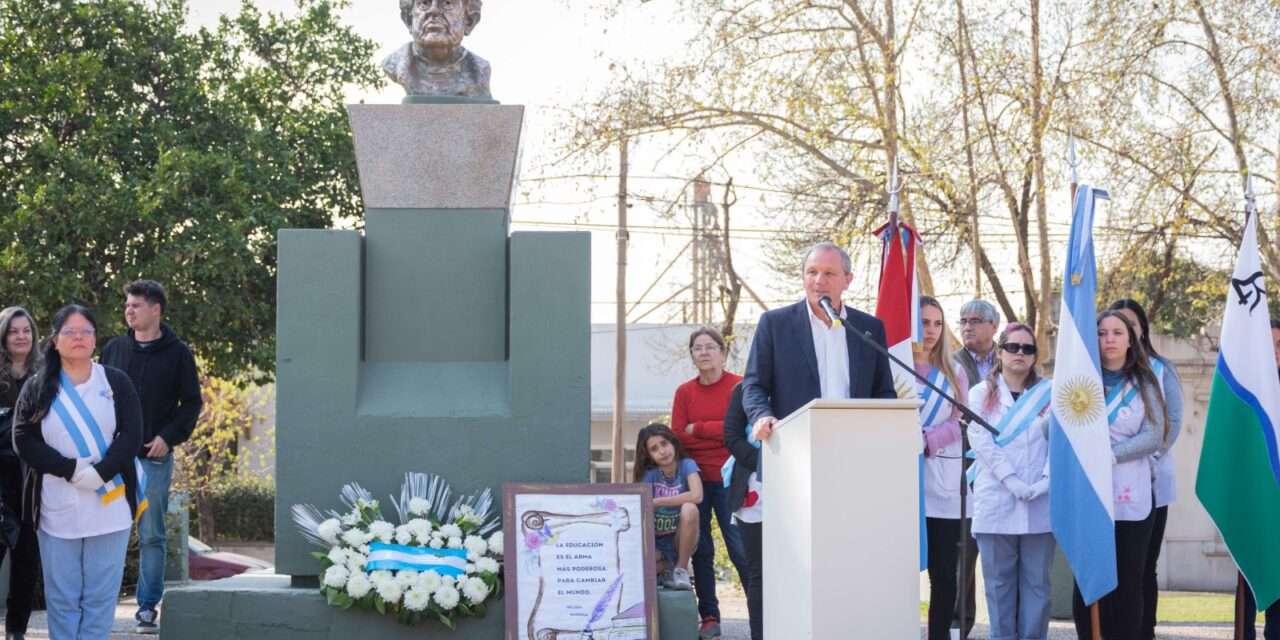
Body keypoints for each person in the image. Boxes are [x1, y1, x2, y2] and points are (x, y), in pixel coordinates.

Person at [13, 305, 144, 640]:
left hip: (109, 504)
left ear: (95, 339)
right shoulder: (37, 386)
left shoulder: (115, 381)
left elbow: (132, 433)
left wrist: (102, 471)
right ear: (55, 340)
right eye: (70, 332)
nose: (79, 338)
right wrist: (68, 468)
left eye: (86, 331)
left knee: (100, 598)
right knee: (62, 598)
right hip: (56, 507)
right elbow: (22, 438)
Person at [100, 280, 203, 634]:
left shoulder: (179, 354)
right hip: (113, 459)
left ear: (156, 309)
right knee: (102, 530)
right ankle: (99, 603)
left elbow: (191, 403)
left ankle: (146, 608)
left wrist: (167, 436)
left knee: (151, 535)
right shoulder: (113, 350)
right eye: (127, 305)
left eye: (136, 305)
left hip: (153, 458)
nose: (129, 310)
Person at [741, 241, 895, 445]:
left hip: (855, 445)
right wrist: (762, 415)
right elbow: (754, 385)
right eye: (812, 272)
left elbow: (883, 391)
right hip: (795, 447)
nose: (819, 281)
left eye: (829, 273)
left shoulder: (868, 329)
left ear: (847, 280)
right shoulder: (776, 324)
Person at [1072, 310, 1166, 639]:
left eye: (1117, 332)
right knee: (1088, 583)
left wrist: (1109, 455)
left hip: (1132, 497)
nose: (1109, 339)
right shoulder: (1079, 382)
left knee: (1128, 582)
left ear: (1130, 339)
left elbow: (1154, 435)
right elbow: (1053, 429)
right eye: (1101, 332)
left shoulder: (1146, 381)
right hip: (1088, 496)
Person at [967, 322, 1055, 640]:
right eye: (1013, 347)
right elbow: (981, 441)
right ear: (1000, 351)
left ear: (1034, 355)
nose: (1020, 353)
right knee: (999, 587)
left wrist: (1046, 480)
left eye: (1027, 348)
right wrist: (1012, 480)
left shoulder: (1051, 393)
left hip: (1040, 501)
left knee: (1038, 587)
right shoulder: (980, 393)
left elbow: (1063, 442)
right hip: (997, 501)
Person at [1108, 298, 1185, 640]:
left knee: (1142, 566)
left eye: (1128, 325)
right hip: (1108, 480)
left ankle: (1144, 630)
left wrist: (1146, 456)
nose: (1117, 335)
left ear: (1139, 331)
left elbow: (1173, 420)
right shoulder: (1096, 374)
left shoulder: (1160, 368)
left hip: (1150, 477)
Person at [670, 327, 748, 640]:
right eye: (697, 348)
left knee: (740, 549)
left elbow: (740, 431)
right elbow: (677, 435)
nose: (703, 352)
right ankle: (710, 618)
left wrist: (699, 427)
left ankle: (762, 611)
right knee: (701, 551)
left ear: (722, 352)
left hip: (732, 477)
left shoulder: (739, 387)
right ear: (692, 356)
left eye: (709, 347)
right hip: (696, 479)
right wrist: (721, 431)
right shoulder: (684, 392)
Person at [915, 296, 970, 640]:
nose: (932, 331)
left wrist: (927, 440)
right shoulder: (892, 366)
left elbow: (959, 420)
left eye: (937, 323)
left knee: (944, 572)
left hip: (941, 480)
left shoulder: (955, 371)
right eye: (924, 322)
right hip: (900, 481)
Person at [950, 298, 1000, 633]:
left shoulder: (1014, 357)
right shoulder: (949, 363)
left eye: (975, 320)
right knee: (961, 561)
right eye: (963, 320)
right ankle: (958, 626)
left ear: (994, 326)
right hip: (963, 473)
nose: (967, 326)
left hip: (1007, 474)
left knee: (1005, 559)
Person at [0, 308, 42, 640]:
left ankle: (17, 630)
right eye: (13, 331)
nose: (20, 336)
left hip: (33, 476)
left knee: (27, 558)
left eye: (26, 330)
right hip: (0, 476)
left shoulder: (46, 374)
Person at [1237, 321, 1280, 640]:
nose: (1274, 352)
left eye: (1279, 344)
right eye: (1269, 344)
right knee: (1250, 579)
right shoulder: (1240, 391)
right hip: (1252, 500)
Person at [634, 423, 702, 592]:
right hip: (657, 543)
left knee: (689, 508)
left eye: (664, 444)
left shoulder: (687, 465)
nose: (662, 451)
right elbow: (641, 508)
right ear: (649, 455)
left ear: (673, 443)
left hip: (680, 538)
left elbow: (697, 495)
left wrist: (659, 501)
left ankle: (681, 570)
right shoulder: (650, 475)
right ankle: (666, 571)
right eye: (654, 449)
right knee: (639, 571)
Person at [722, 383, 762, 640]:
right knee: (758, 572)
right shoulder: (744, 390)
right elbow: (732, 436)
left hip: (800, 482)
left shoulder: (800, 379)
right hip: (752, 490)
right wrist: (763, 461)